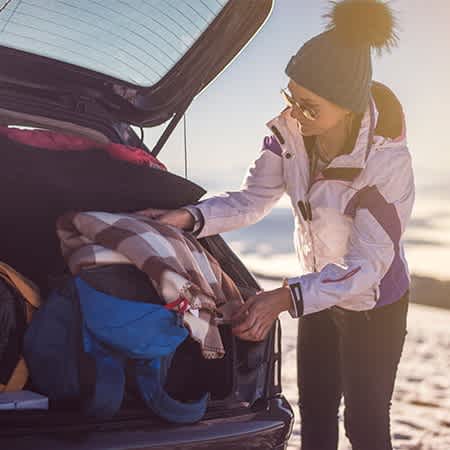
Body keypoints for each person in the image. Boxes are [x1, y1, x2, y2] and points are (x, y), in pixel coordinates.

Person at [149, 1, 414, 449]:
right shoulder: (291, 134)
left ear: (347, 106)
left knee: (365, 423)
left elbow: (367, 265)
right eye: (291, 97)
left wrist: (285, 297)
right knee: (314, 411)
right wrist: (190, 218)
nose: (295, 113)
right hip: (317, 293)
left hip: (373, 304)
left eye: (309, 107)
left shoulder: (386, 165)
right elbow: (253, 199)